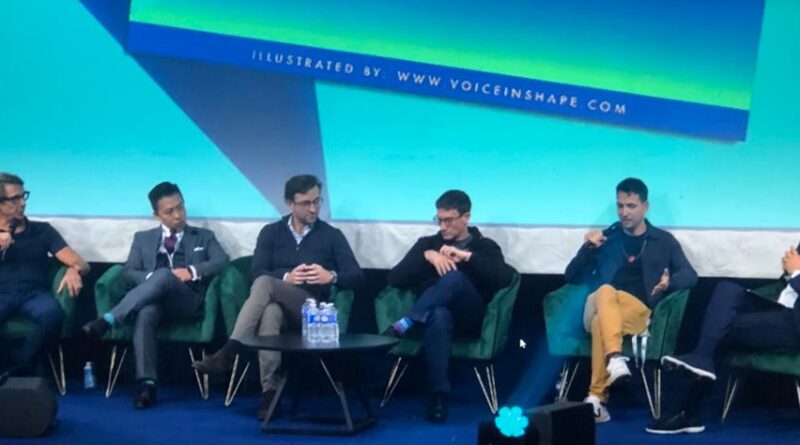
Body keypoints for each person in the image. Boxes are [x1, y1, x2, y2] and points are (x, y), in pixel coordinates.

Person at [192, 174, 364, 419]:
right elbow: (256, 271)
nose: (313, 208)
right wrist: (286, 278)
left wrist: (331, 276)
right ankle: (270, 394)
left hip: (312, 311)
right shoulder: (271, 232)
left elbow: (357, 276)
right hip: (278, 306)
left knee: (265, 284)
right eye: (306, 203)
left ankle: (230, 351)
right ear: (290, 203)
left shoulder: (331, 235)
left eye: (317, 201)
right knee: (270, 312)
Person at [82, 182, 229, 408]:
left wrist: (191, 271)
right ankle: (146, 385)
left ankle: (109, 319)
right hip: (152, 300)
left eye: (180, 207)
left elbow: (221, 261)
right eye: (169, 211)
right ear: (156, 215)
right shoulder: (143, 238)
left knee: (163, 275)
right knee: (147, 310)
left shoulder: (204, 236)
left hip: (187, 301)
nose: (178, 215)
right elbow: (129, 271)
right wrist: (153, 280)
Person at [564, 177, 697, 423]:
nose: (624, 212)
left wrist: (668, 284)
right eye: (620, 206)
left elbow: (690, 275)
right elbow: (570, 276)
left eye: (631, 206)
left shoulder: (663, 241)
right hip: (595, 304)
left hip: (636, 312)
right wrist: (588, 248)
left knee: (601, 323)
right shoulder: (606, 239)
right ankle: (615, 358)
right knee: (606, 291)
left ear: (645, 207)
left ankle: (596, 400)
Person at [385, 190, 515, 423]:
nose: (442, 226)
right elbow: (394, 279)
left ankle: (409, 320)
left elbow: (504, 278)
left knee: (454, 278)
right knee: (439, 315)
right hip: (433, 321)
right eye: (439, 220)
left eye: (448, 220)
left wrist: (466, 257)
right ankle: (438, 396)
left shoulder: (484, 246)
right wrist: (427, 255)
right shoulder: (428, 244)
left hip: (469, 318)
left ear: (466, 217)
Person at [647, 244, 800, 434]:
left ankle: (687, 410)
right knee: (727, 290)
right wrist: (790, 273)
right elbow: (787, 282)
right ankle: (701, 361)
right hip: (782, 309)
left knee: (721, 326)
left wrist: (796, 273)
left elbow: (796, 274)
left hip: (794, 325)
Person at [0, 172, 89, 383]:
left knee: (52, 315)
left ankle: (19, 369)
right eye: (15, 199)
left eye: (23, 196)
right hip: (2, 294)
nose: (22, 204)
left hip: (34, 295)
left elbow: (82, 264)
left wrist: (73, 269)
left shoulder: (42, 231)